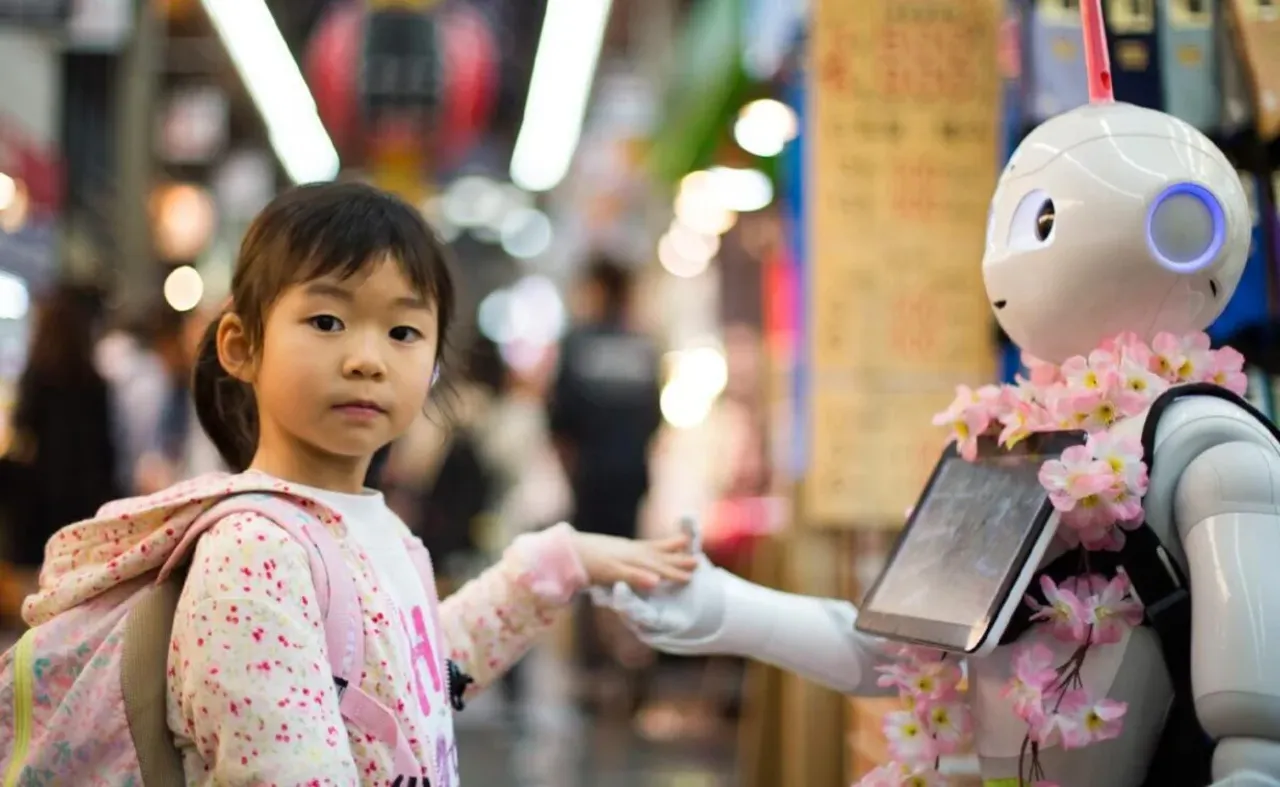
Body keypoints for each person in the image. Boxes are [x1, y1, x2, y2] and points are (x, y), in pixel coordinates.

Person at [18, 182, 696, 784]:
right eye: (327, 321)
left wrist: (560, 563)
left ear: (432, 364)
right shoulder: (254, 553)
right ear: (240, 346)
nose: (367, 358)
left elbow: (411, 681)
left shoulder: (378, 530)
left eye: (403, 330)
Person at [547, 256, 664, 712]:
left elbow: (558, 421)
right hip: (632, 476)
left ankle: (596, 670)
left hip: (590, 477)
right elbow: (655, 419)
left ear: (596, 288)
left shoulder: (578, 344)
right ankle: (631, 659)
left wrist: (570, 468)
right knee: (631, 567)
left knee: (590, 569)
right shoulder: (643, 347)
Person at [0, 283, 118, 589]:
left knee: (37, 583)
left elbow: (23, 429)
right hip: (84, 497)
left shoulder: (37, 376)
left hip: (39, 497)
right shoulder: (95, 381)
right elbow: (106, 447)